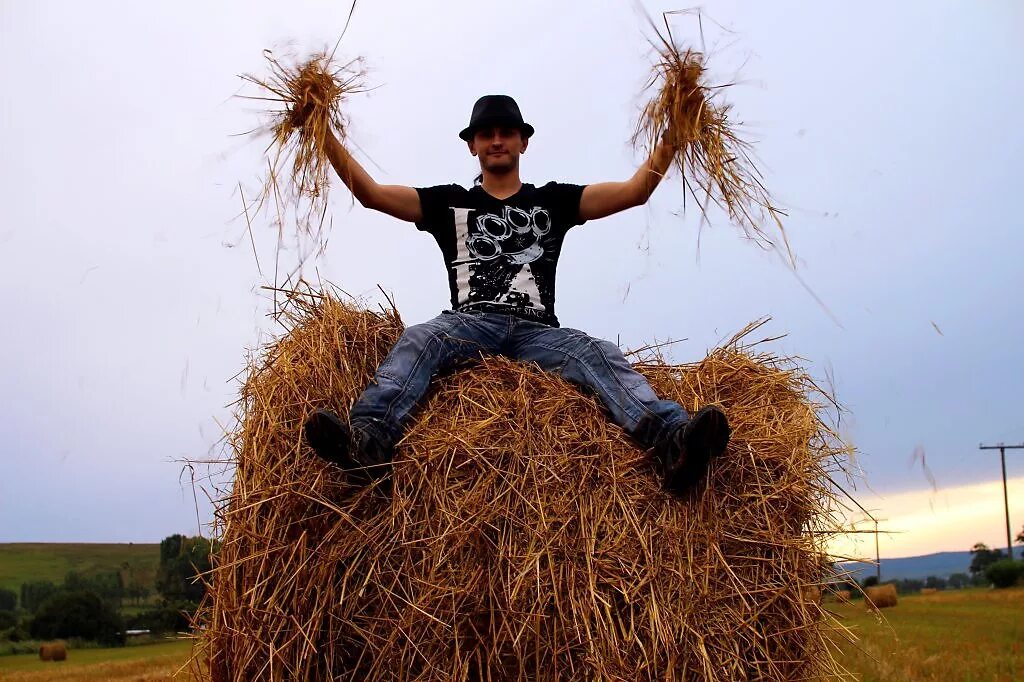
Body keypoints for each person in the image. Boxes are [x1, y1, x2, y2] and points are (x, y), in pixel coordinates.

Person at [303, 94, 730, 495]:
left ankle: (674, 441)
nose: (496, 140)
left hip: (538, 332)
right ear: (472, 146)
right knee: (422, 338)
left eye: (506, 132)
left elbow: (637, 191)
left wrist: (676, 127)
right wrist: (322, 129)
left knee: (598, 354)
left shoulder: (553, 201)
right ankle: (369, 442)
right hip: (471, 322)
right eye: (486, 134)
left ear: (523, 142)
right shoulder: (448, 204)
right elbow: (371, 194)